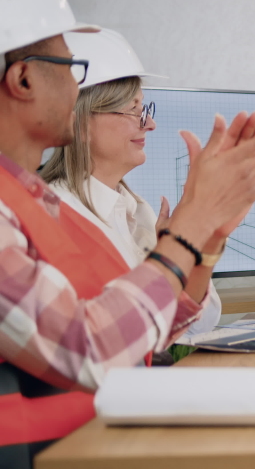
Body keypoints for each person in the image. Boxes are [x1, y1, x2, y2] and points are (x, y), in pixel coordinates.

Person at [0, 0, 255, 466]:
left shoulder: (31, 202)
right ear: (23, 78)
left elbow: (145, 331)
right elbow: (91, 347)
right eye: (69, 69)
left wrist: (208, 233)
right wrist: (189, 227)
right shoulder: (31, 207)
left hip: (100, 444)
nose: (76, 89)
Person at [41, 28, 220, 338]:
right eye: (133, 110)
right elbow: (103, 339)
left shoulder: (136, 210)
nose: (150, 124)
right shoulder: (53, 214)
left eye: (145, 109)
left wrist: (192, 242)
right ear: (80, 122)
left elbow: (200, 322)